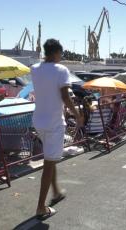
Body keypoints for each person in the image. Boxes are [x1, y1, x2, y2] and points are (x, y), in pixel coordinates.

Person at [31, 39, 84, 219]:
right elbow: (65, 97)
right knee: (49, 163)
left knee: (50, 159)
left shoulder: (35, 69)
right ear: (56, 53)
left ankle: (56, 192)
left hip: (38, 121)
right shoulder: (61, 70)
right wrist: (77, 115)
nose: (61, 57)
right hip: (54, 123)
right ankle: (40, 207)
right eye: (61, 54)